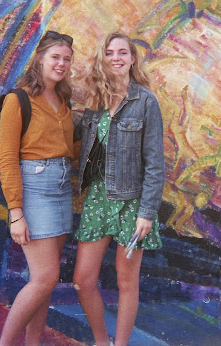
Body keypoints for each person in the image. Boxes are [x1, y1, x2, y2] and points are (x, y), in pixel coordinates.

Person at [73, 31, 165, 346]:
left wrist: (147, 213)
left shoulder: (146, 101)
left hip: (131, 201)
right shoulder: (95, 102)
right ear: (104, 58)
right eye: (110, 52)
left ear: (132, 58)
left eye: (122, 52)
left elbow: (155, 162)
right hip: (98, 198)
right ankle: (102, 341)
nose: (116, 57)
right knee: (82, 281)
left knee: (127, 282)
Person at [0, 30, 76, 346]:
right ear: (40, 58)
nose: (61, 63)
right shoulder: (17, 100)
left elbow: (69, 147)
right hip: (34, 190)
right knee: (45, 278)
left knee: (44, 280)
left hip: (61, 189)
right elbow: (7, 159)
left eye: (67, 59)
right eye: (55, 57)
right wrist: (16, 212)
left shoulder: (64, 99)